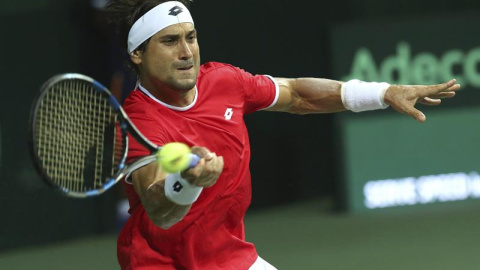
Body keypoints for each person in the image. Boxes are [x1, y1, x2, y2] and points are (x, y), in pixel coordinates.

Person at [105, 1, 460, 269]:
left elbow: (298, 95)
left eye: (191, 38)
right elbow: (159, 210)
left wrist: (382, 93)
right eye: (170, 41)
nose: (186, 53)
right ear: (137, 54)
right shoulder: (139, 121)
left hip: (229, 257)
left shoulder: (223, 81)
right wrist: (187, 181)